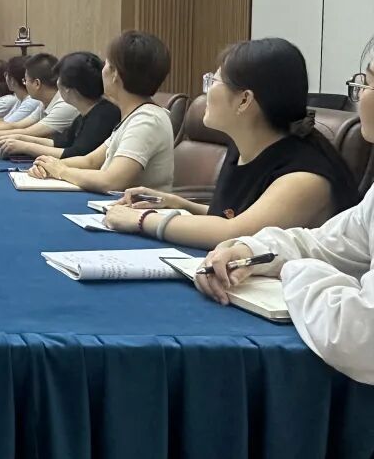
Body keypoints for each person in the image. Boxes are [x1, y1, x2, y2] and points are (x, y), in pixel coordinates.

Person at [193, 37, 374, 385]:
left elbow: (359, 337)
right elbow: (325, 243)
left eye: (366, 83)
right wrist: (249, 251)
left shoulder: (304, 168)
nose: (359, 95)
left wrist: (295, 271)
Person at [104, 38, 359, 246]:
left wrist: (142, 220)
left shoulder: (304, 177)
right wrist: (178, 203)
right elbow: (233, 215)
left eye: (212, 82)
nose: (205, 92)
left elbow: (236, 232)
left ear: (244, 100)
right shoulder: (243, 146)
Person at [25, 31, 174, 193]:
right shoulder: (133, 116)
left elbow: (111, 181)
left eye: (106, 65)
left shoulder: (147, 120)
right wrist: (48, 165)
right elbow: (90, 161)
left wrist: (61, 171)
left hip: (134, 207)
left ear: (115, 74)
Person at [0, 52, 120, 160]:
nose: (56, 84)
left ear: (69, 88)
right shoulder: (85, 113)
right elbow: (60, 142)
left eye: (59, 79)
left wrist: (26, 147)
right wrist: (20, 139)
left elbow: (75, 154)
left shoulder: (103, 115)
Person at [0, 53, 80, 143]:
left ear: (37, 84)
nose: (25, 84)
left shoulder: (64, 105)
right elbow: (17, 126)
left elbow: (27, 132)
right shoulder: (43, 103)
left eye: (25, 81)